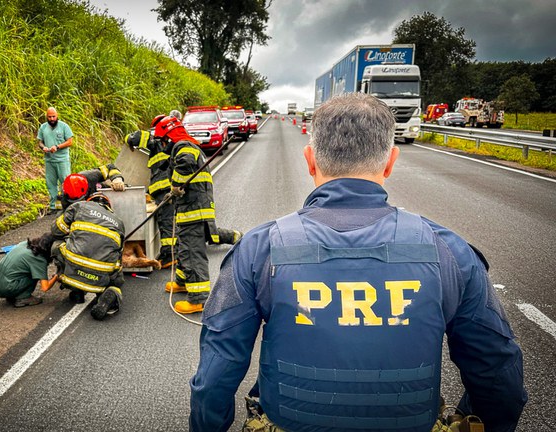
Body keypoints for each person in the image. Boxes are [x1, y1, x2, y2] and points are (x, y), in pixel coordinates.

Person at [189, 93, 527, 432]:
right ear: (390, 162)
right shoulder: (449, 252)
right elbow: (500, 379)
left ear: (310, 160)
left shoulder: (259, 249)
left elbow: (214, 378)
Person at [153, 116, 242, 314]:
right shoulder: (186, 145)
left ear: (168, 136)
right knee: (184, 248)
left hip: (194, 211)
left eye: (162, 140)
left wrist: (176, 185)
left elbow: (185, 163)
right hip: (190, 209)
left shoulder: (183, 146)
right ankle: (183, 281)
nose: (162, 144)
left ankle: (199, 299)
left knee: (192, 253)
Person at [51, 179, 125, 321]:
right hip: (100, 275)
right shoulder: (119, 222)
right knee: (117, 272)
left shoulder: (80, 206)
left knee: (57, 244)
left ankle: (76, 290)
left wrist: (72, 231)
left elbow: (56, 231)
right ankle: (110, 293)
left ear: (89, 199)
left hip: (74, 267)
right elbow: (118, 252)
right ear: (109, 207)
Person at [124, 114, 176, 268]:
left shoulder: (153, 138)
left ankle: (169, 255)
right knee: (172, 218)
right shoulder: (172, 141)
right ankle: (174, 251)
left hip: (162, 187)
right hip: (172, 184)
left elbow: (132, 138)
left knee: (166, 220)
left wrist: (129, 141)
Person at [0, 234, 56, 307]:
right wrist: (56, 277)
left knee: (21, 269)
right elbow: (45, 287)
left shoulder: (24, 244)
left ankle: (12, 294)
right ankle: (23, 298)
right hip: (5, 287)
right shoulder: (39, 259)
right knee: (35, 273)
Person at [37, 107, 74, 215]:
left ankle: (68, 206)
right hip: (49, 160)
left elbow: (70, 142)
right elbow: (40, 142)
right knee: (51, 184)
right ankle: (53, 207)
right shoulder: (43, 127)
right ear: (46, 117)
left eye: (54, 116)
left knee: (66, 183)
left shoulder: (64, 126)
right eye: (49, 117)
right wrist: (43, 147)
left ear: (57, 116)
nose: (52, 118)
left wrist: (57, 147)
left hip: (62, 160)